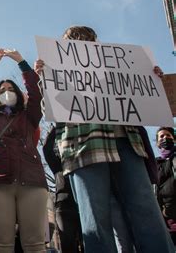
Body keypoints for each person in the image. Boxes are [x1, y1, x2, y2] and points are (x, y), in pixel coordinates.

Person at [34, 25, 174, 253]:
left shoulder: (116, 67)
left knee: (146, 210)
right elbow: (51, 110)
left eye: (89, 40)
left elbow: (141, 99)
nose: (86, 44)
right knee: (94, 217)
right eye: (77, 41)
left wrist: (152, 79)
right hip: (83, 146)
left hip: (126, 142)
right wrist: (45, 80)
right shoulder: (57, 70)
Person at [0, 48, 48, 253]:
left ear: (19, 94)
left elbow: (36, 93)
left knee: (35, 244)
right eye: (1, 90)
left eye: (10, 88)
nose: (6, 92)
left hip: (32, 181)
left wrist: (22, 62)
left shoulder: (29, 116)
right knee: (1, 245)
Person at [155, 127, 176, 245]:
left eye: (168, 135)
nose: (165, 138)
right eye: (161, 136)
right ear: (157, 143)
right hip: (166, 219)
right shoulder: (154, 163)